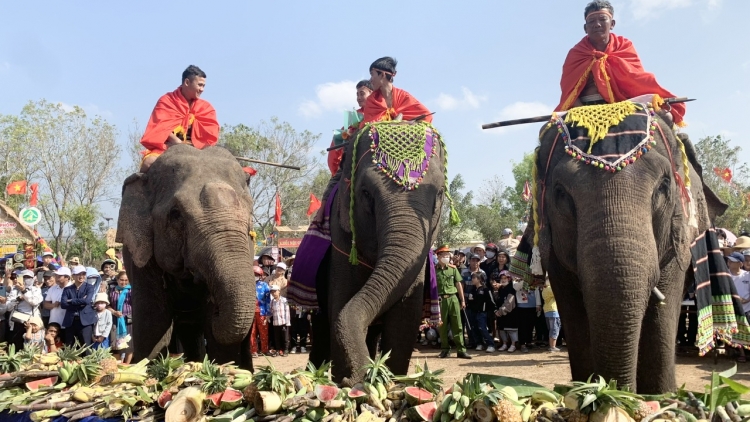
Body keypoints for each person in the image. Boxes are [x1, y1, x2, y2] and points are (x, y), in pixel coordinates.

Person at [556, 1, 685, 126]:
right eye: (591, 21)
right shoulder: (576, 53)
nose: (597, 24)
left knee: (666, 117)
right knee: (549, 133)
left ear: (612, 24)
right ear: (585, 28)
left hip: (623, 104)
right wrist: (583, 113)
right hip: (583, 108)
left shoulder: (624, 46)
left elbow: (637, 80)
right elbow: (569, 91)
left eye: (602, 19)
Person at [139, 65, 219, 172]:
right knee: (148, 163)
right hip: (168, 147)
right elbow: (160, 126)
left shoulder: (207, 107)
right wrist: (177, 142)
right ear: (187, 82)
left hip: (197, 150)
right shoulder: (166, 100)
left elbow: (210, 136)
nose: (202, 89)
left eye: (204, 86)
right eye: (200, 85)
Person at [364, 57, 432, 124]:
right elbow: (367, 125)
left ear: (382, 75)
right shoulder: (372, 100)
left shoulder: (404, 96)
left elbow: (427, 116)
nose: (370, 80)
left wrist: (405, 123)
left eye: (372, 74)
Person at [327, 80, 373, 176]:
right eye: (357, 94)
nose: (359, 98)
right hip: (353, 168)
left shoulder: (384, 113)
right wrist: (336, 172)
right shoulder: (353, 118)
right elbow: (336, 145)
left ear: (371, 93)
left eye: (362, 94)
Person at [434, 245, 471, 359]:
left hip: (453, 298)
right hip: (440, 300)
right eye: (444, 255)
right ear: (438, 256)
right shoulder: (434, 270)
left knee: (458, 325)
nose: (446, 257)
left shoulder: (453, 268)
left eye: (447, 255)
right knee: (442, 326)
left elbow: (458, 284)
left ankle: (461, 350)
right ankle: (445, 349)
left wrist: (462, 300)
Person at [7, 269, 43, 350]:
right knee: (16, 346)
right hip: (17, 321)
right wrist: (18, 300)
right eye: (24, 277)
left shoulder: (36, 289)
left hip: (31, 322)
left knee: (31, 346)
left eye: (28, 277)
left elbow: (34, 301)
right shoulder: (14, 290)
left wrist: (24, 291)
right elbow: (8, 307)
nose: (26, 279)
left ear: (33, 278)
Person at [61, 265, 97, 347]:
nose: (81, 276)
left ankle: (88, 360)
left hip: (85, 322)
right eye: (78, 274)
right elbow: (63, 304)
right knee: (69, 346)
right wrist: (81, 301)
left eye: (83, 274)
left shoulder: (89, 287)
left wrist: (71, 300)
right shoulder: (67, 289)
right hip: (71, 321)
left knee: (86, 346)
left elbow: (87, 301)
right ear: (73, 276)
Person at [728, 252, 750, 362]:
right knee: (737, 332)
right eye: (729, 260)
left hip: (747, 309)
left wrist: (747, 299)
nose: (729, 262)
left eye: (732, 261)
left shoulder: (747, 275)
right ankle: (742, 354)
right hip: (732, 309)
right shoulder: (726, 276)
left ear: (740, 264)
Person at [466, 273, 497, 352]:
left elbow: (491, 301)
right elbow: (470, 301)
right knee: (474, 328)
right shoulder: (472, 289)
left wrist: (493, 310)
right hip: (473, 312)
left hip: (482, 313)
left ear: (479, 279)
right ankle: (479, 343)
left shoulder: (485, 289)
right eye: (472, 278)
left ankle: (491, 344)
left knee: (482, 328)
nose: (472, 279)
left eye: (474, 278)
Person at [108, 271, 133, 363]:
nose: (124, 282)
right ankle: (118, 366)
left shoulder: (131, 291)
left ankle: (127, 365)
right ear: (117, 280)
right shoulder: (112, 291)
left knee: (129, 345)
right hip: (115, 320)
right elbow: (108, 305)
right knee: (115, 345)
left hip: (128, 320)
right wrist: (114, 312)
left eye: (126, 280)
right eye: (121, 280)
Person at [494, 270, 520, 352]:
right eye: (502, 278)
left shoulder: (512, 288)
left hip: (510, 313)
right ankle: (504, 344)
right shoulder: (500, 288)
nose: (503, 280)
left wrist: (501, 311)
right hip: (500, 313)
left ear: (509, 279)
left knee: (511, 330)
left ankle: (513, 344)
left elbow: (510, 302)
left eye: (505, 278)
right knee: (502, 329)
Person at [514, 277, 542, 353]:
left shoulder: (533, 279)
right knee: (522, 326)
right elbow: (516, 287)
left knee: (531, 325)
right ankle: (522, 344)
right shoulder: (516, 278)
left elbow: (536, 291)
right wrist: (524, 279)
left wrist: (538, 304)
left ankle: (529, 342)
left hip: (532, 306)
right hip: (522, 306)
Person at [44, 267, 72, 340]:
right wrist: (53, 305)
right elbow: (45, 304)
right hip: (54, 325)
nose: (56, 278)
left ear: (67, 277)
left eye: (59, 276)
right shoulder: (52, 289)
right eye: (56, 276)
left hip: (68, 325)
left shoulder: (73, 288)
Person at [250, 266, 271, 357]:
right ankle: (253, 350)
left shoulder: (265, 285)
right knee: (252, 332)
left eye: (257, 274)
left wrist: (268, 313)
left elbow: (268, 300)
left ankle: (264, 349)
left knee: (264, 332)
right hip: (250, 312)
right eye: (254, 274)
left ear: (260, 275)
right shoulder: (248, 285)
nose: (255, 276)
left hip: (262, 312)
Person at [269, 285, 291, 357]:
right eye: (272, 292)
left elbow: (287, 312)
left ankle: (286, 350)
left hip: (284, 322)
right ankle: (278, 350)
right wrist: (267, 318)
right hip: (276, 322)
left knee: (285, 337)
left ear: (279, 291)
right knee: (277, 337)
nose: (273, 293)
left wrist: (287, 322)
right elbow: (271, 312)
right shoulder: (272, 302)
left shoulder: (285, 300)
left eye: (275, 291)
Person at [541, 278, 561, 352]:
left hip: (547, 310)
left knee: (552, 329)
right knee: (554, 329)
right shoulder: (550, 289)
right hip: (553, 310)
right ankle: (552, 346)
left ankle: (552, 346)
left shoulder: (544, 289)